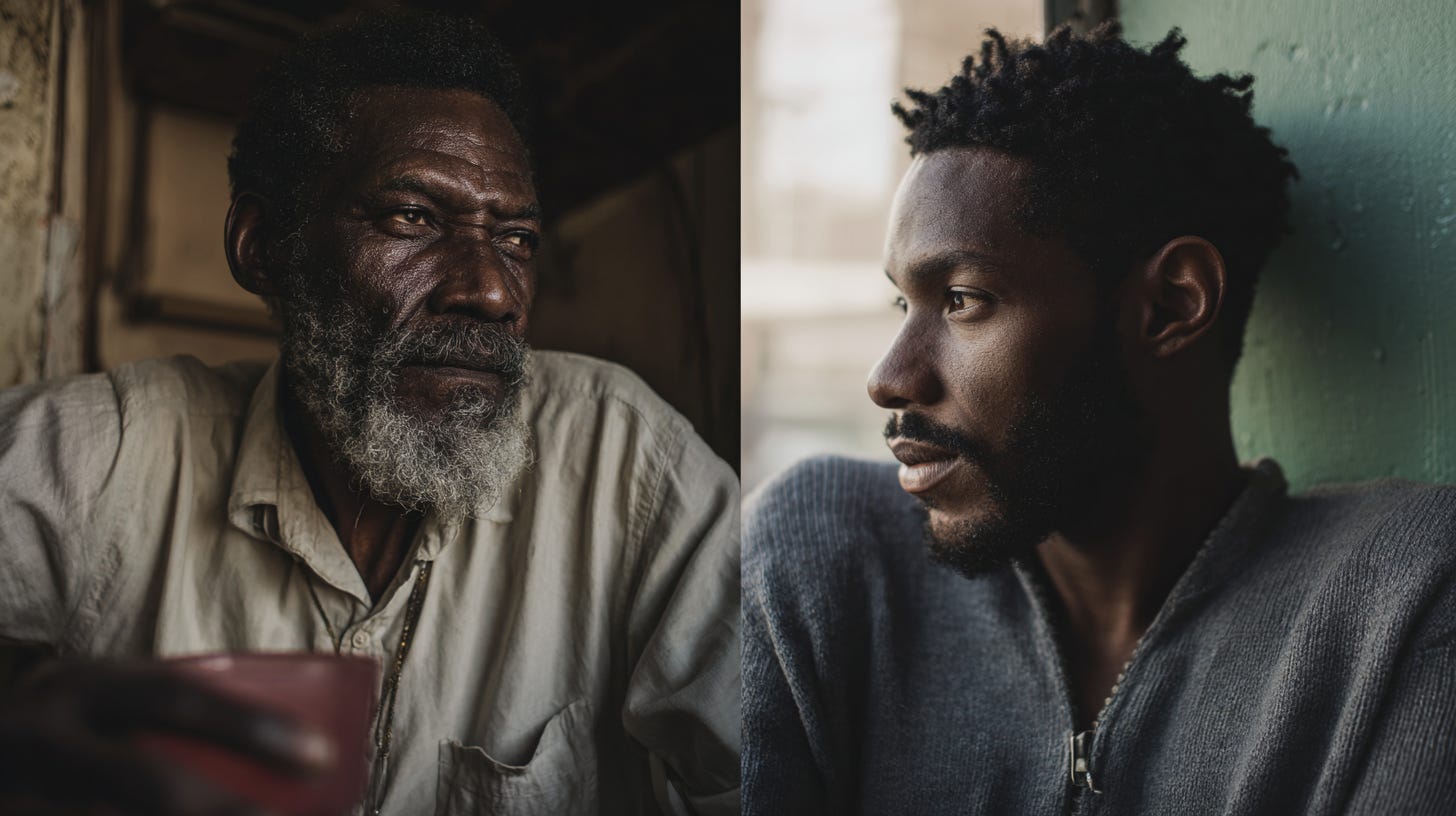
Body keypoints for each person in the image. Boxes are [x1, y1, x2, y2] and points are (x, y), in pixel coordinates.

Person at [0, 10, 739, 815]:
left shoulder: (623, 460)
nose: (491, 291)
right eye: (413, 219)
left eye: (518, 238)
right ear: (262, 247)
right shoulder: (110, 456)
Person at [743, 22, 1456, 815]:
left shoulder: (1405, 600)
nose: (889, 378)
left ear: (1170, 305)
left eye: (962, 300)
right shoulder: (820, 562)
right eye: (902, 303)